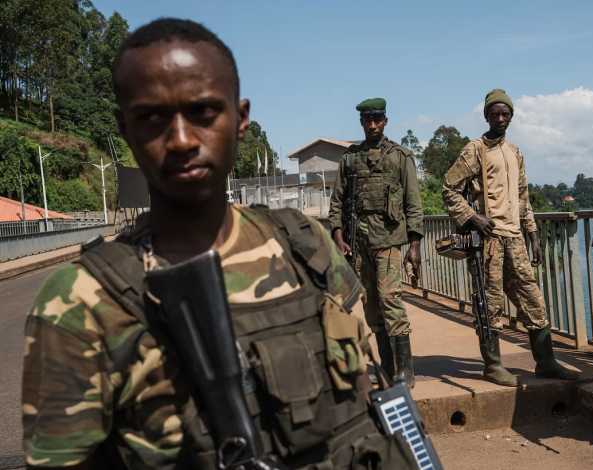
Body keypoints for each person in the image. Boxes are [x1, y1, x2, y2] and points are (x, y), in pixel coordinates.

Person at [21, 19, 416, 469]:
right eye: (151, 117)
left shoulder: (304, 244)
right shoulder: (79, 305)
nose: (182, 140)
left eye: (204, 112)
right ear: (125, 128)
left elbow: (368, 392)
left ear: (240, 118)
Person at [442, 89, 580, 387]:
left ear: (511, 117)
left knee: (533, 299)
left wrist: (533, 237)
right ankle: (493, 366)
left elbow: (523, 198)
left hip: (515, 238)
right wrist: (471, 216)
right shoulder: (474, 150)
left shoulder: (515, 152)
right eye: (495, 114)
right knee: (489, 303)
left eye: (505, 114)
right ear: (487, 116)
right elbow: (449, 189)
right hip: (488, 240)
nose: (500, 119)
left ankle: (546, 363)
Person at [328, 99, 424, 388]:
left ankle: (406, 372)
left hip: (389, 240)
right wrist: (338, 237)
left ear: (385, 121)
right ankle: (387, 365)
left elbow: (413, 204)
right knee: (371, 306)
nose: (372, 125)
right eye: (367, 120)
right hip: (360, 243)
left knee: (390, 299)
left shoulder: (400, 156)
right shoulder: (349, 159)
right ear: (361, 122)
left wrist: (415, 245)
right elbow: (336, 205)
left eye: (377, 120)